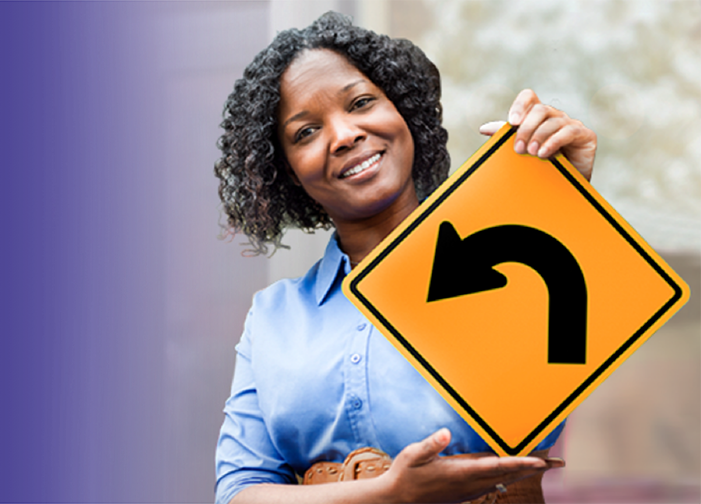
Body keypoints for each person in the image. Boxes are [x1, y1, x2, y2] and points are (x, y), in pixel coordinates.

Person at [212, 12, 597, 504]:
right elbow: (239, 492)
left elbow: (550, 367)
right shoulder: (274, 317)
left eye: (361, 103)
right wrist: (389, 494)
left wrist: (565, 203)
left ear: (402, 111)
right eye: (305, 132)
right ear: (287, 172)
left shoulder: (506, 265)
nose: (344, 134)